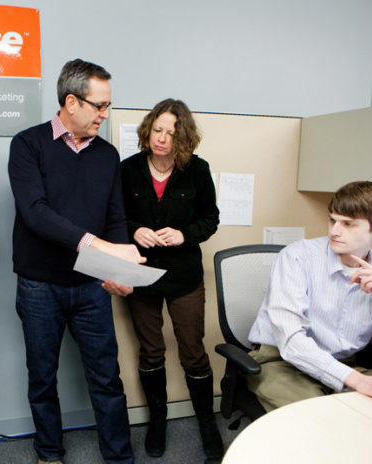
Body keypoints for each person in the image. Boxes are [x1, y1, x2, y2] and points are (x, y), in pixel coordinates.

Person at [8, 58, 144, 464]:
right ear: (71, 101)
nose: (105, 114)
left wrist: (120, 271)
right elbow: (35, 212)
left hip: (92, 288)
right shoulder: (28, 144)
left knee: (106, 378)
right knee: (42, 378)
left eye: (108, 106)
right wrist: (98, 247)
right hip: (39, 287)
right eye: (99, 106)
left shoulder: (107, 155)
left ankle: (119, 457)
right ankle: (49, 454)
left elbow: (115, 217)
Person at [247, 181, 372, 411]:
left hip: (344, 364)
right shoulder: (296, 258)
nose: (334, 231)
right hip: (282, 362)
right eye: (332, 220)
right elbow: (291, 341)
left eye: (348, 224)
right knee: (323, 419)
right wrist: (358, 381)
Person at [120, 99, 223, 462]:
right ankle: (158, 421)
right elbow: (115, 218)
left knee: (193, 351)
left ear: (183, 138)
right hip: (141, 275)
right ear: (148, 130)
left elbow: (210, 219)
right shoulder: (128, 169)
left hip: (184, 278)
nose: (162, 139)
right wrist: (136, 230)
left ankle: (207, 424)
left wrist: (183, 235)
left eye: (171, 133)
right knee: (150, 352)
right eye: (157, 130)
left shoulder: (197, 170)